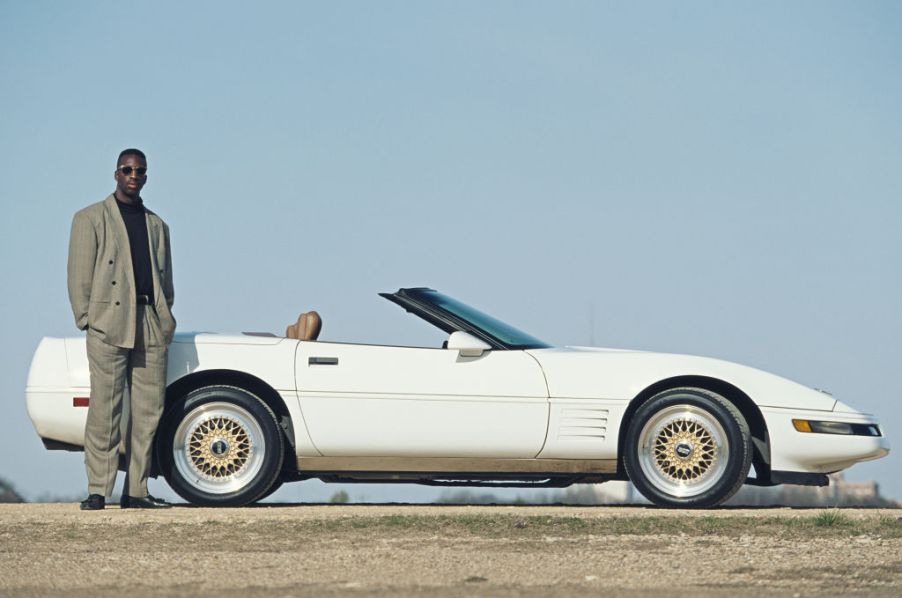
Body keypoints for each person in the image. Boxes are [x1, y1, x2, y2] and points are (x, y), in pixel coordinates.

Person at [67, 148, 176, 510]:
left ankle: (137, 491)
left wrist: (164, 319)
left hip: (149, 321)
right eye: (127, 169)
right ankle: (98, 489)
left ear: (146, 176)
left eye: (140, 170)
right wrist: (87, 319)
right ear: (116, 174)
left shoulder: (158, 225)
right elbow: (78, 275)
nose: (134, 175)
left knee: (148, 411)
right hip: (108, 323)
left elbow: (166, 281)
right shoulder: (90, 218)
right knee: (105, 409)